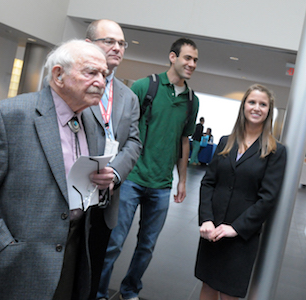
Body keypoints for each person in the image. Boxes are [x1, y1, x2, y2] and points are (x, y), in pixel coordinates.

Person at [0, 39, 115, 300]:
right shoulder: (9, 116)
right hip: (16, 263)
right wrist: (3, 248)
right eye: (91, 72)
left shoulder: (92, 120)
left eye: (104, 74)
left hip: (73, 255)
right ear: (58, 75)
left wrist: (102, 186)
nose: (101, 81)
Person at [97, 38, 200, 300]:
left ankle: (130, 290)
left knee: (147, 246)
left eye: (195, 60)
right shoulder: (146, 86)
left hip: (162, 184)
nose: (192, 64)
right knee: (114, 243)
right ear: (172, 57)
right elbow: (123, 128)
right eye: (187, 58)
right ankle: (97, 293)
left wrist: (182, 180)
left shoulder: (191, 100)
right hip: (131, 178)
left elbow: (184, 140)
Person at [195, 84, 287, 299]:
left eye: (263, 104)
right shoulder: (226, 142)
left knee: (229, 292)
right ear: (244, 106)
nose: (257, 108)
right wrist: (206, 219)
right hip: (213, 229)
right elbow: (208, 183)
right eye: (252, 102)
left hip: (240, 236)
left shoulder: (275, 151)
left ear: (269, 111)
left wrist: (236, 228)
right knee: (207, 286)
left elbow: (268, 198)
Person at [84, 19, 143, 299]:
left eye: (122, 43)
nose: (117, 47)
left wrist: (115, 173)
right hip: (71, 192)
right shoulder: (71, 83)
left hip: (106, 198)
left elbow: (133, 141)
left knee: (93, 270)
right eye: (110, 41)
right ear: (89, 45)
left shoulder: (128, 97)